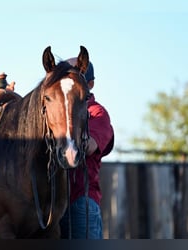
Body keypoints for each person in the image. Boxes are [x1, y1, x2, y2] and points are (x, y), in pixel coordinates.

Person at [60, 58, 114, 239]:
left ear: (90, 84)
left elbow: (89, 146)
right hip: (50, 204)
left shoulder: (98, 113)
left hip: (80, 201)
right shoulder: (57, 110)